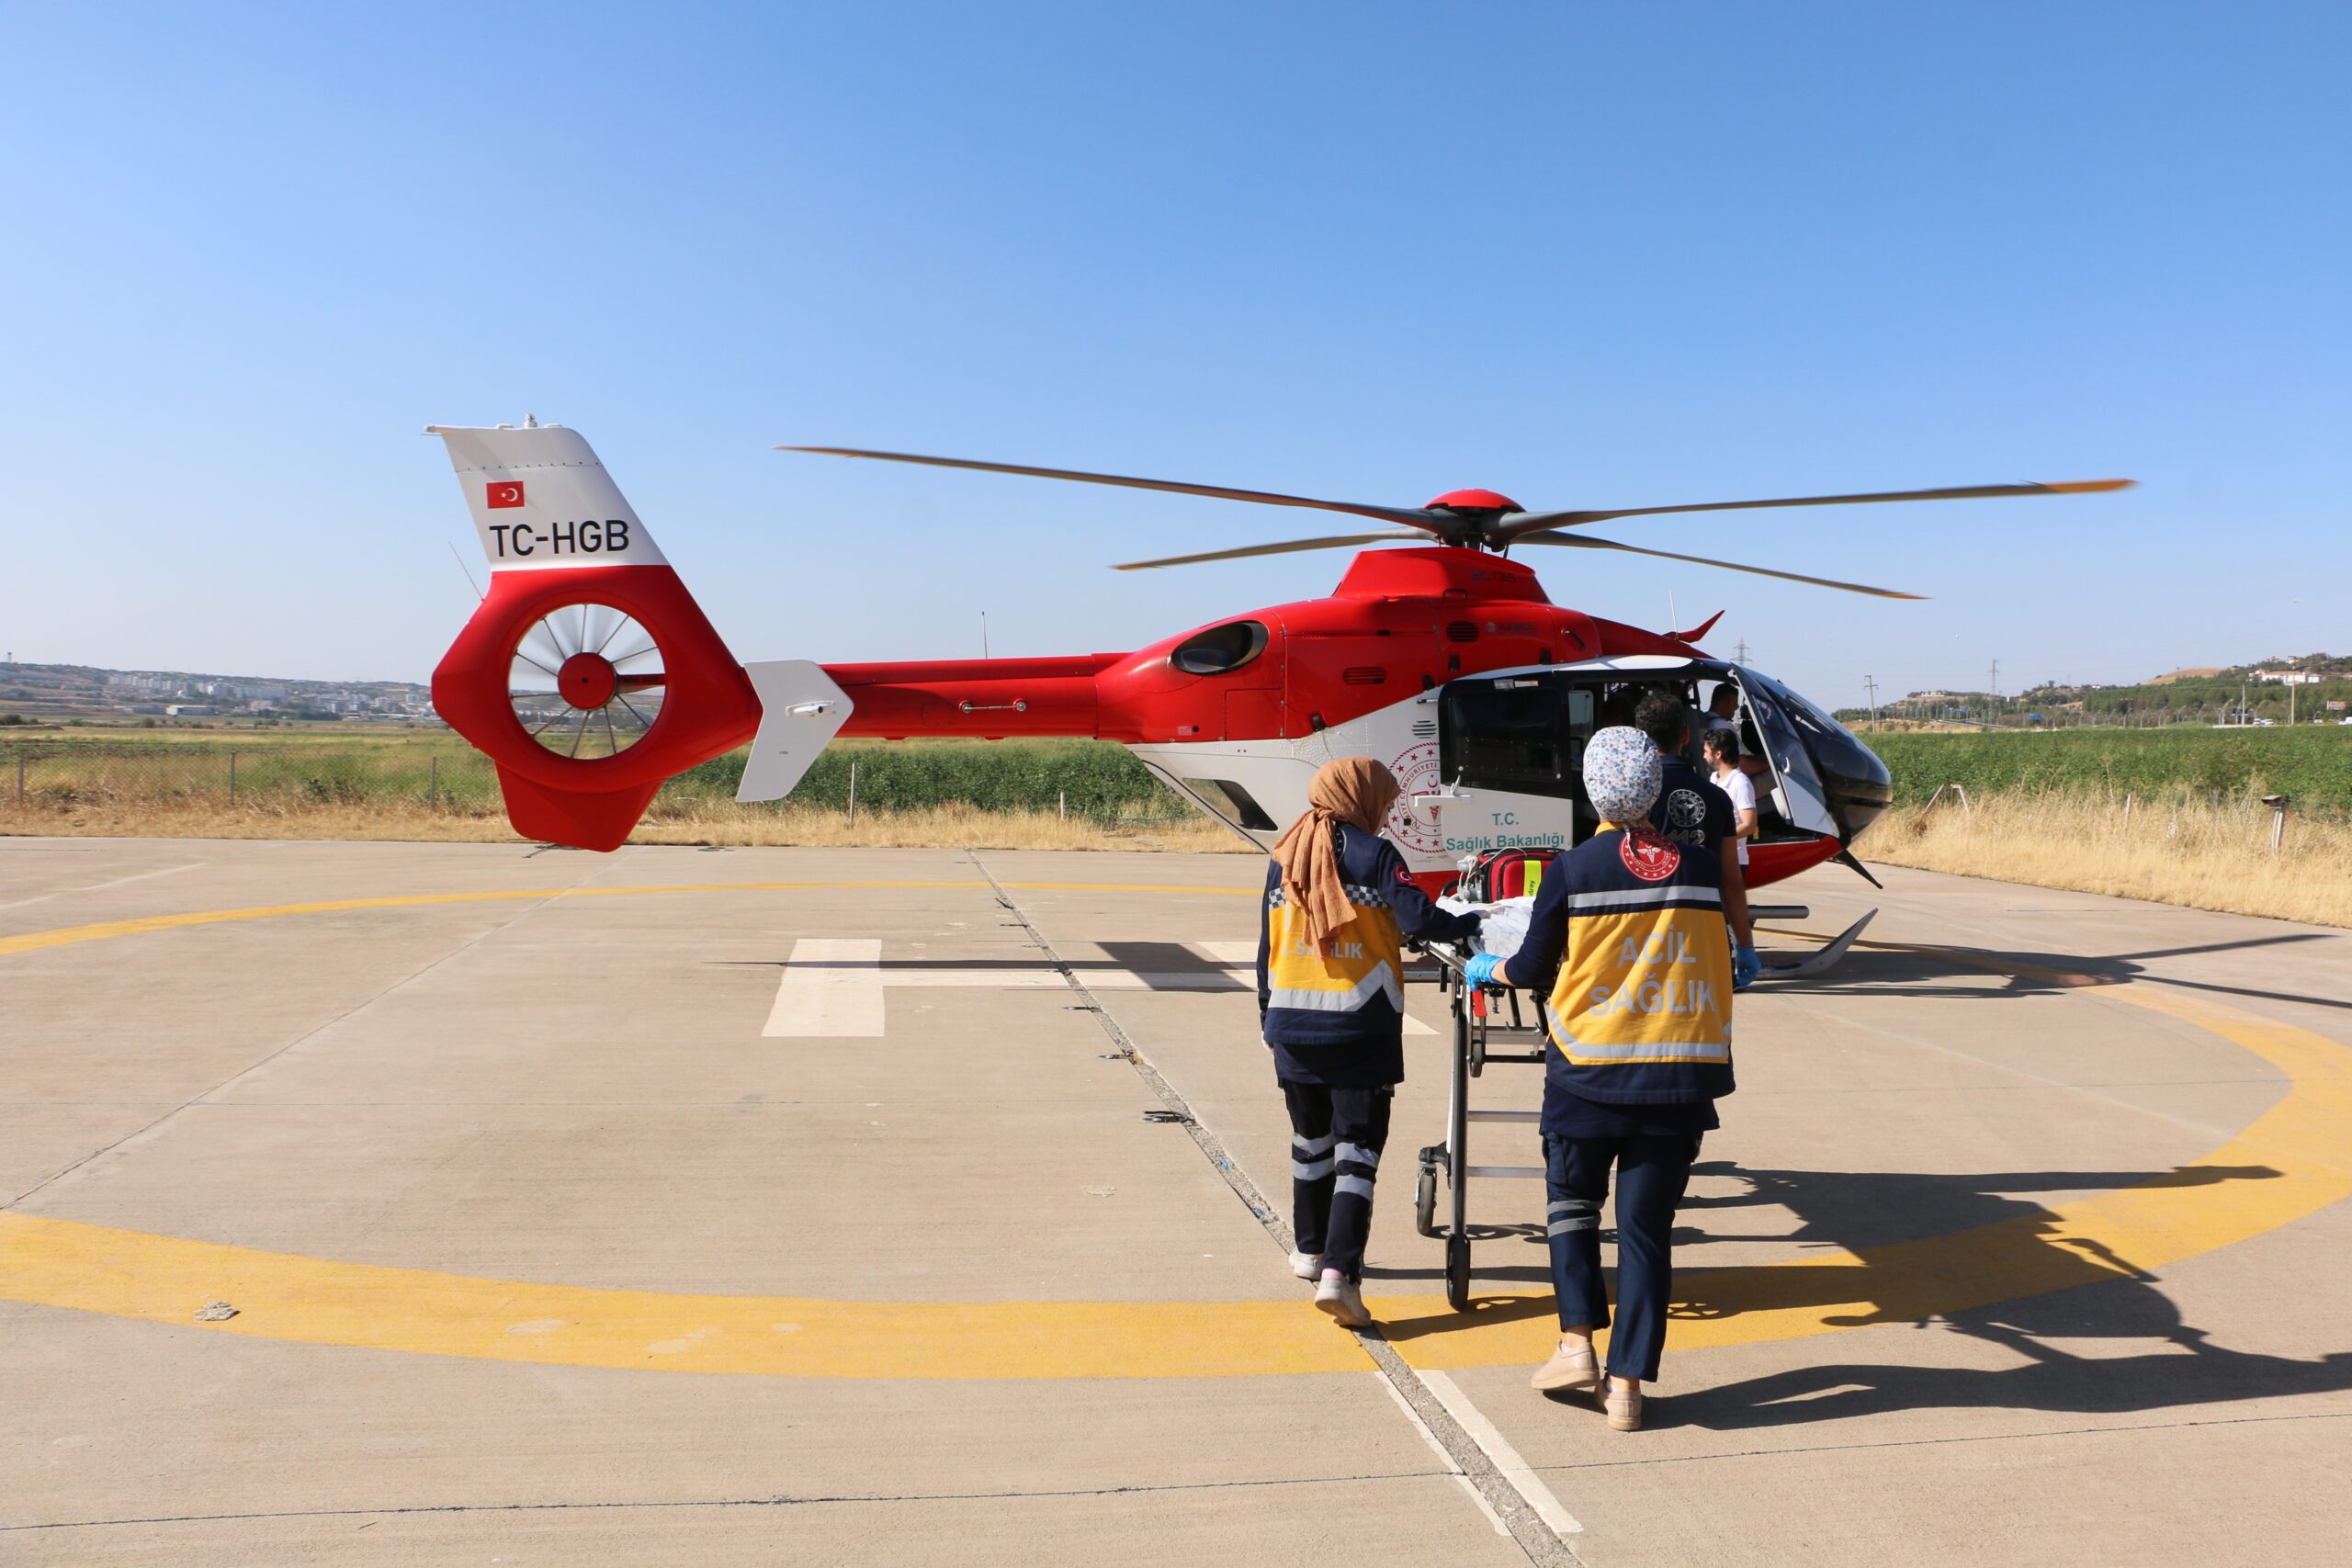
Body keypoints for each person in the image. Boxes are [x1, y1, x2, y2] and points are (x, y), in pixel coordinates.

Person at [1461, 728, 1737, 1431]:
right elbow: (1723, 949)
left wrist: (1486, 969)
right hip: (1676, 1079)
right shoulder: (1701, 867)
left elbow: (1529, 968)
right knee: (1647, 1232)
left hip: (1588, 1072)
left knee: (1572, 1207)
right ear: (1655, 785)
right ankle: (1627, 1388)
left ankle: (1576, 1341)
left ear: (1593, 790)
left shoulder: (1573, 870)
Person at [1258, 757, 1479, 1328]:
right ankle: (1340, 1277)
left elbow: (1267, 947)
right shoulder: (1376, 854)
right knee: (1356, 1152)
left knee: (1311, 1142)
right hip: (1359, 1026)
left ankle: (1309, 1253)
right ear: (1365, 797)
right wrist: (1469, 920)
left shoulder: (1285, 853)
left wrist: (1268, 1015)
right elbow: (1421, 920)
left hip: (1291, 1025)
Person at [1633, 690, 1757, 987]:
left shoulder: (1635, 799)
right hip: (1703, 935)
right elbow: (1731, 882)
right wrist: (1745, 944)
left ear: (1641, 737)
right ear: (1686, 735)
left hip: (1649, 937)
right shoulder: (1716, 798)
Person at [1705, 727, 1758, 868]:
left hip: (1734, 861)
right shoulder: (1714, 778)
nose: (1704, 756)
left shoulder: (1740, 783)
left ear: (1718, 754)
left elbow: (1749, 825)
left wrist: (1720, 838)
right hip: (1715, 857)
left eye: (1706, 752)